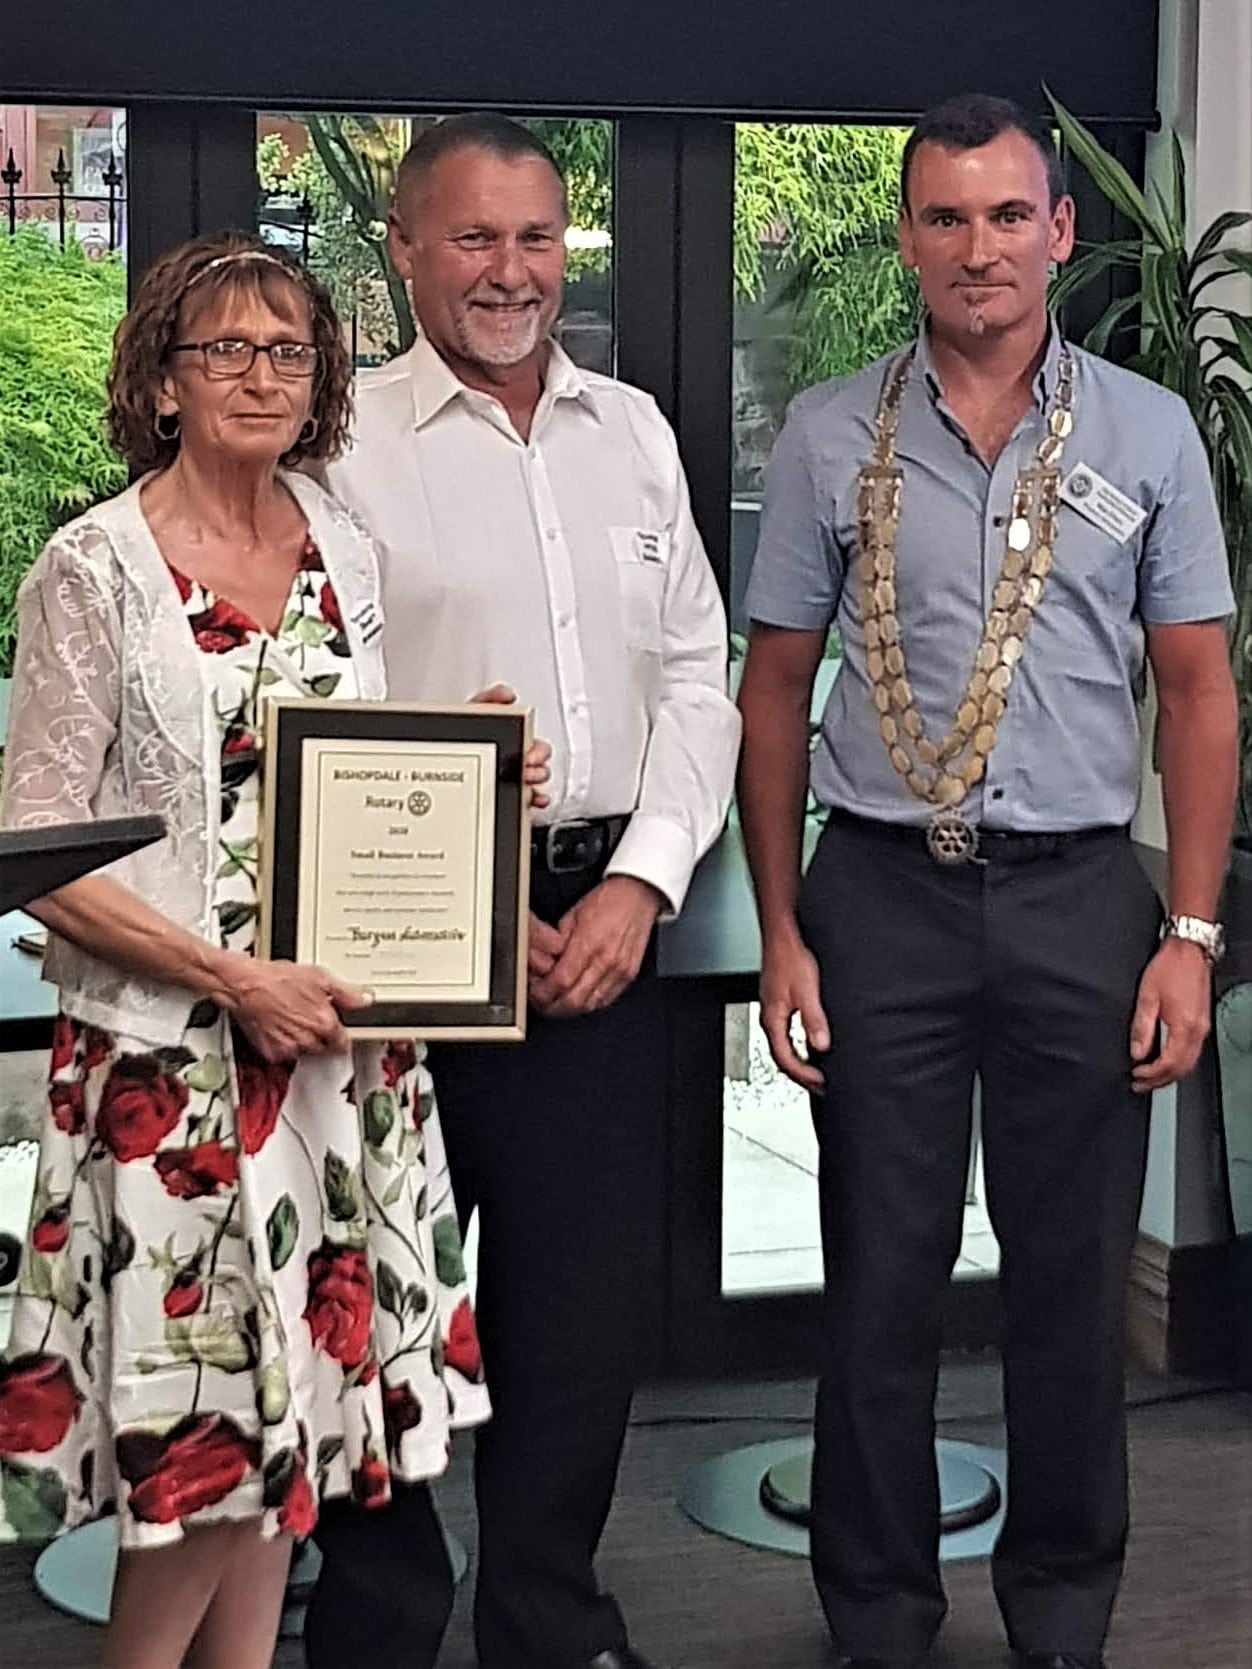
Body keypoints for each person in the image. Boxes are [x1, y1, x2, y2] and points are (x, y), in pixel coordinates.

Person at [736, 94, 1237, 1669]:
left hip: (1084, 899)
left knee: (1074, 1291)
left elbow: (1202, 695)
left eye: (1009, 215)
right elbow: (772, 690)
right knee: (877, 1282)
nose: (979, 249)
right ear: (906, 238)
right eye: (946, 218)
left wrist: (1192, 937)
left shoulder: (1148, 434)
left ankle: (1064, 1611)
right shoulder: (829, 429)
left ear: (1060, 231)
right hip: (879, 893)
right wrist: (781, 930)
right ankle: (877, 1610)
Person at [0, 231, 547, 1669]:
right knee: (198, 1466)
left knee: (280, 1451)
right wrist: (236, 979)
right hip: (173, 1080)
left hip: (334, 1073)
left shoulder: (339, 546)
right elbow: (38, 850)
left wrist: (476, 764)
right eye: (224, 350)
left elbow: (344, 773)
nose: (260, 375)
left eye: (288, 351)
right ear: (163, 382)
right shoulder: (93, 567)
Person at [314, 114, 739, 1669]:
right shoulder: (337, 444)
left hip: (606, 937)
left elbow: (696, 676)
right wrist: (474, 904)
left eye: (538, 238)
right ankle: (374, 1629)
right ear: (408, 252)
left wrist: (640, 884)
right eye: (476, 239)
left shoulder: (631, 430)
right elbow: (320, 701)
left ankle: (549, 1620)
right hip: (408, 948)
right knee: (395, 1302)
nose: (512, 271)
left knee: (577, 1316)